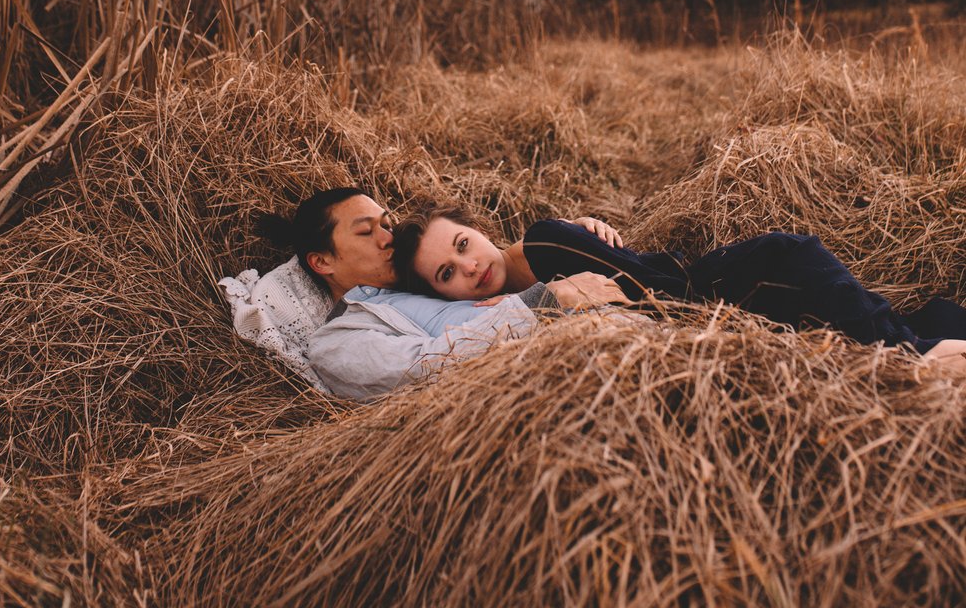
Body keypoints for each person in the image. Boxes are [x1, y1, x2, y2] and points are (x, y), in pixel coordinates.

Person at [255, 188, 966, 399]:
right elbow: (420, 368)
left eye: (387, 224)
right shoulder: (343, 335)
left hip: (617, 306)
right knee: (791, 263)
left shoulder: (420, 280)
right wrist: (541, 303)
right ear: (321, 260)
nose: (385, 237)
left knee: (805, 273)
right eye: (365, 231)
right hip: (605, 336)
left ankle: (924, 341)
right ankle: (915, 359)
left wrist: (554, 249)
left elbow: (480, 269)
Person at [393, 204, 966, 373]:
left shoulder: (544, 244)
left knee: (898, 348)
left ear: (478, 230)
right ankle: (929, 340)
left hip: (732, 287)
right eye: (446, 274)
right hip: (724, 309)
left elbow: (659, 299)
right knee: (923, 323)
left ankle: (915, 358)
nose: (467, 267)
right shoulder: (505, 312)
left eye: (462, 243)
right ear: (442, 296)